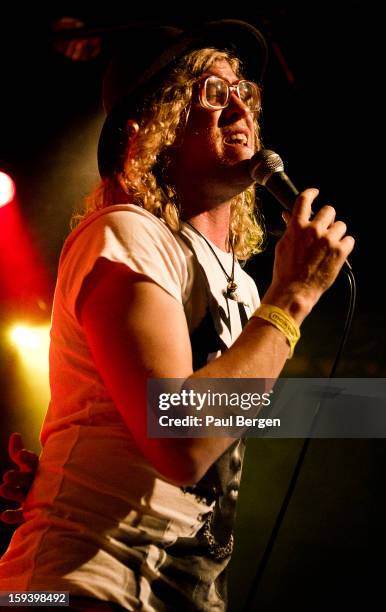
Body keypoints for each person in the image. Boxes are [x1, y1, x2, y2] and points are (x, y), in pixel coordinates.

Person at [0, 19, 354, 611]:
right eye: (211, 91)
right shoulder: (127, 234)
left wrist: (380, 412)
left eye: (243, 88)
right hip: (71, 591)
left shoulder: (239, 284)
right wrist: (291, 299)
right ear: (148, 132)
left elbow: (229, 416)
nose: (239, 101)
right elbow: (183, 438)